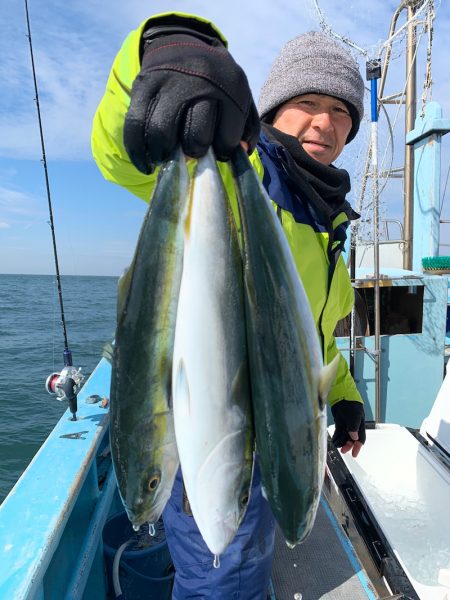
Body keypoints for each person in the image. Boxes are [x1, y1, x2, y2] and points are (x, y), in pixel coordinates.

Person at [92, 11, 366, 600]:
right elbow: (120, 156)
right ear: (270, 110)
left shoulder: (328, 222)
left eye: (342, 110)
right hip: (212, 429)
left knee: (248, 566)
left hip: (278, 435)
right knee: (222, 580)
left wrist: (343, 396)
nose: (326, 121)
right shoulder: (223, 168)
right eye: (309, 101)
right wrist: (163, 50)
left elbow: (311, 337)